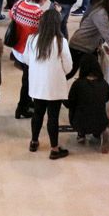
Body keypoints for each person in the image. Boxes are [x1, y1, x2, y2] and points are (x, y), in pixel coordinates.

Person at [23, 9, 73, 159]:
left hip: (37, 85)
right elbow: (69, 66)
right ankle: (54, 149)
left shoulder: (32, 39)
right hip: (54, 86)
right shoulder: (60, 42)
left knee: (37, 113)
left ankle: (34, 141)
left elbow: (26, 60)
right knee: (53, 117)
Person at [7, 0, 49, 120]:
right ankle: (22, 107)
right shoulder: (38, 13)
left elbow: (11, 15)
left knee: (26, 78)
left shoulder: (18, 4)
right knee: (28, 80)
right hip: (29, 53)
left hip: (17, 47)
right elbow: (44, 31)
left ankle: (25, 104)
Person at [67, 0, 109, 76]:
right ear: (108, 1)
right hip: (79, 46)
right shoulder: (100, 13)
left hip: (89, 47)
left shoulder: (106, 10)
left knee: (92, 74)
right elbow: (107, 35)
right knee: (71, 72)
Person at [66, 54, 109, 151]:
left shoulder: (77, 84)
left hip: (79, 123)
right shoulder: (104, 83)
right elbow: (107, 98)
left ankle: (81, 134)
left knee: (75, 108)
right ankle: (100, 132)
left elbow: (70, 103)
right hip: (101, 122)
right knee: (97, 107)